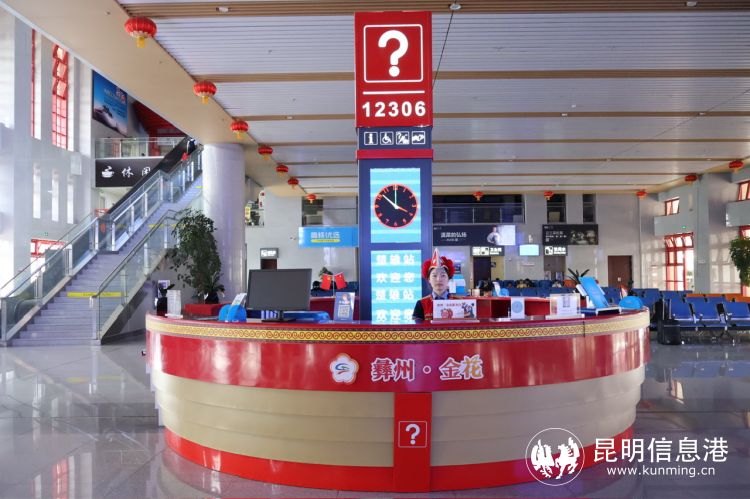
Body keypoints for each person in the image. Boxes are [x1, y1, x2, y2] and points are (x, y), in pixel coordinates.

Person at [412, 249, 457, 320]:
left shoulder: (459, 302)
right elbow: (415, 326)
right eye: (434, 276)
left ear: (448, 278)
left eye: (443, 275)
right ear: (429, 279)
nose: (438, 279)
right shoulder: (421, 304)